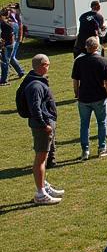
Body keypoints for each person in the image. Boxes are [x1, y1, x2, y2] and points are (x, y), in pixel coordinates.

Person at [19, 54, 63, 205]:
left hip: (42, 125)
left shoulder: (33, 81)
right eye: (48, 64)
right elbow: (35, 108)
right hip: (42, 127)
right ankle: (40, 193)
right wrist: (45, 125)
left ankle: (43, 186)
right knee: (40, 159)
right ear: (43, 65)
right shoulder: (36, 85)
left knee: (42, 158)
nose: (49, 67)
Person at [71, 36, 107, 160]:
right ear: (97, 47)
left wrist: (77, 93)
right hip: (99, 97)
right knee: (102, 122)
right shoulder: (103, 61)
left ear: (86, 47)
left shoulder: (79, 61)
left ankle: (85, 151)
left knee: (84, 124)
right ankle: (102, 147)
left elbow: (75, 80)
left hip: (84, 98)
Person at [0, 6, 23, 84]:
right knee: (11, 59)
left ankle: (3, 79)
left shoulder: (3, 24)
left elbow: (3, 35)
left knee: (4, 62)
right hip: (12, 44)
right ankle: (20, 71)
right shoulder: (13, 23)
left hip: (6, 45)